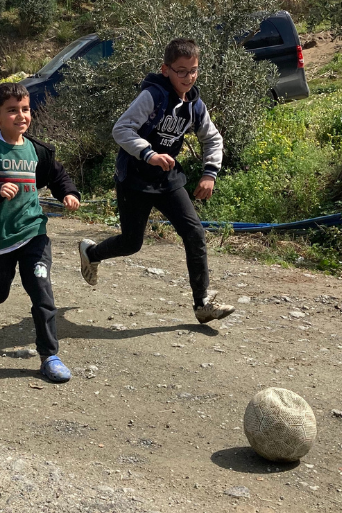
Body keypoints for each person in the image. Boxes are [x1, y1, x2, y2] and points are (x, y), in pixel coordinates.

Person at [78, 38, 235, 324]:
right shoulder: (153, 96)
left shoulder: (195, 106)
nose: (188, 77)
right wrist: (149, 154)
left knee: (195, 233)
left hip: (167, 179)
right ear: (166, 70)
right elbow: (121, 129)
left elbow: (212, 138)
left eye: (194, 70)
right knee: (131, 242)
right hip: (135, 179)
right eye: (181, 71)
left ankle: (202, 304)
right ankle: (91, 252)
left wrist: (210, 173)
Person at [0, 83, 81, 382]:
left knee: (42, 291)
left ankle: (49, 355)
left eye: (25, 109)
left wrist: (68, 192)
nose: (21, 116)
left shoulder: (38, 150)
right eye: (12, 110)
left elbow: (58, 174)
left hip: (33, 232)